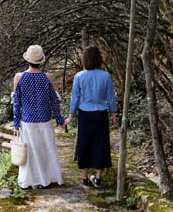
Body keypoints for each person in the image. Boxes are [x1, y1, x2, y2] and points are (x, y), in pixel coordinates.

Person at [13, 44, 66, 189]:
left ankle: (31, 181)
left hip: (27, 120)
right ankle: (46, 179)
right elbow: (54, 101)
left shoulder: (19, 77)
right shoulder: (47, 77)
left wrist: (16, 123)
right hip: (45, 120)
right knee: (46, 149)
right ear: (41, 60)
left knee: (30, 151)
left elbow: (16, 103)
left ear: (28, 60)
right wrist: (60, 119)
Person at [64, 45, 117, 188]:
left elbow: (75, 98)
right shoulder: (105, 76)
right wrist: (113, 114)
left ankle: (84, 177)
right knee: (101, 144)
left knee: (85, 144)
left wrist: (70, 115)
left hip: (85, 115)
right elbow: (110, 97)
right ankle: (98, 178)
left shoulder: (79, 76)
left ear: (84, 59)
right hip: (101, 114)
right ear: (99, 59)